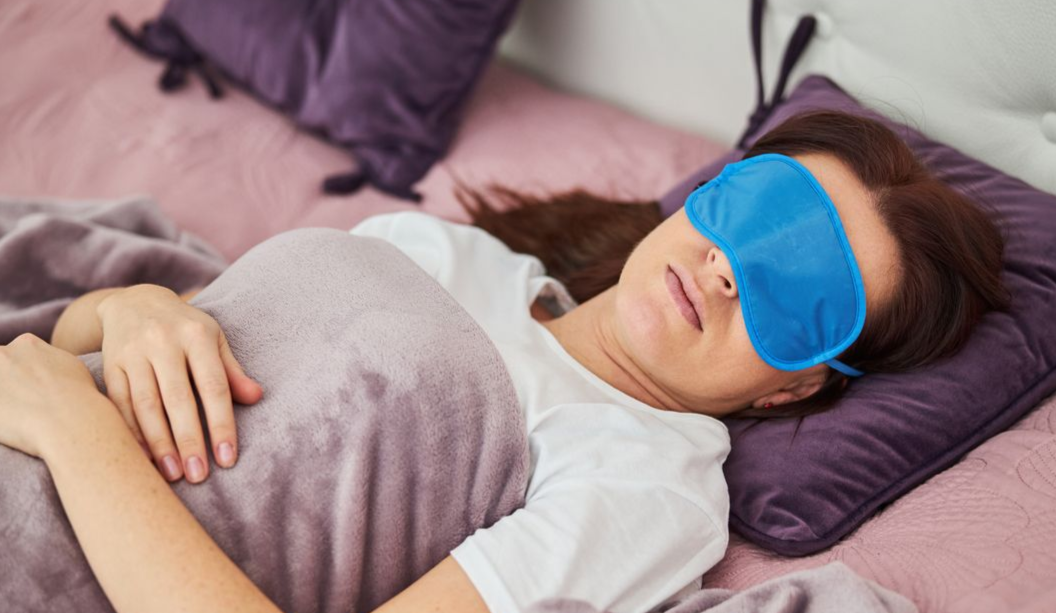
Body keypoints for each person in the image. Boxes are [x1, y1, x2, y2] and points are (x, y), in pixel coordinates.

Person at [0, 110, 1010, 613]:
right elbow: (112, 345)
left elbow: (73, 416)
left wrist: (80, 438)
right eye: (758, 216)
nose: (730, 271)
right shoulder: (456, 251)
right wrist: (127, 310)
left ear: (794, 383)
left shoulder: (647, 481)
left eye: (800, 294)